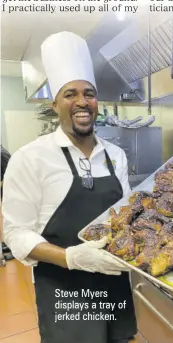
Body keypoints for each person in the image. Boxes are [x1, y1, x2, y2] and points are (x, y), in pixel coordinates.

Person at [2, 32, 137, 343]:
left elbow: (124, 217)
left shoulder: (115, 155)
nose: (81, 102)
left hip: (114, 283)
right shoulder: (30, 158)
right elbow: (16, 234)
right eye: (70, 93)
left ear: (97, 101)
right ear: (55, 104)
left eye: (89, 93)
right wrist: (72, 258)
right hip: (65, 291)